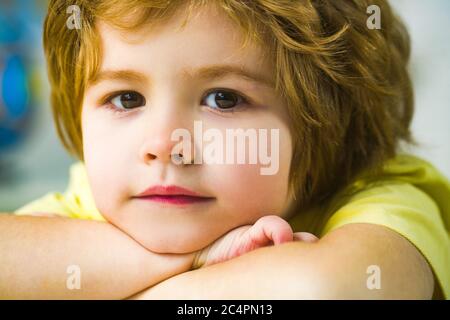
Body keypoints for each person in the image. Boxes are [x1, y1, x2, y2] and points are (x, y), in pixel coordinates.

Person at [2, 0, 449, 299]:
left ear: (332, 120)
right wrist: (195, 258)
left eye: (224, 98)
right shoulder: (97, 198)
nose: (164, 146)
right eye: (127, 99)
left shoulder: (384, 200)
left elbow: (317, 289)